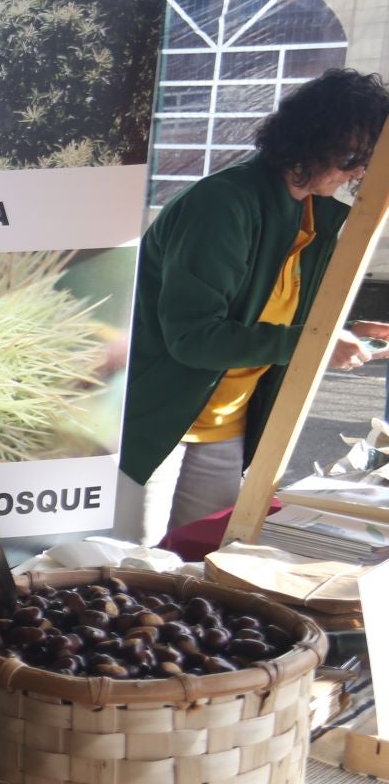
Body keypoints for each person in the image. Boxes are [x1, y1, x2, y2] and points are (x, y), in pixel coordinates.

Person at [115, 68, 389, 546]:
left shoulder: (318, 213)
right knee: (128, 566)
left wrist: (339, 330)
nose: (358, 173)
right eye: (352, 158)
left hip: (228, 425)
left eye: (367, 161)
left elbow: (270, 315)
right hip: (156, 423)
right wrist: (317, 344)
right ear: (310, 139)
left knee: (204, 564)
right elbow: (193, 338)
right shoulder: (223, 203)